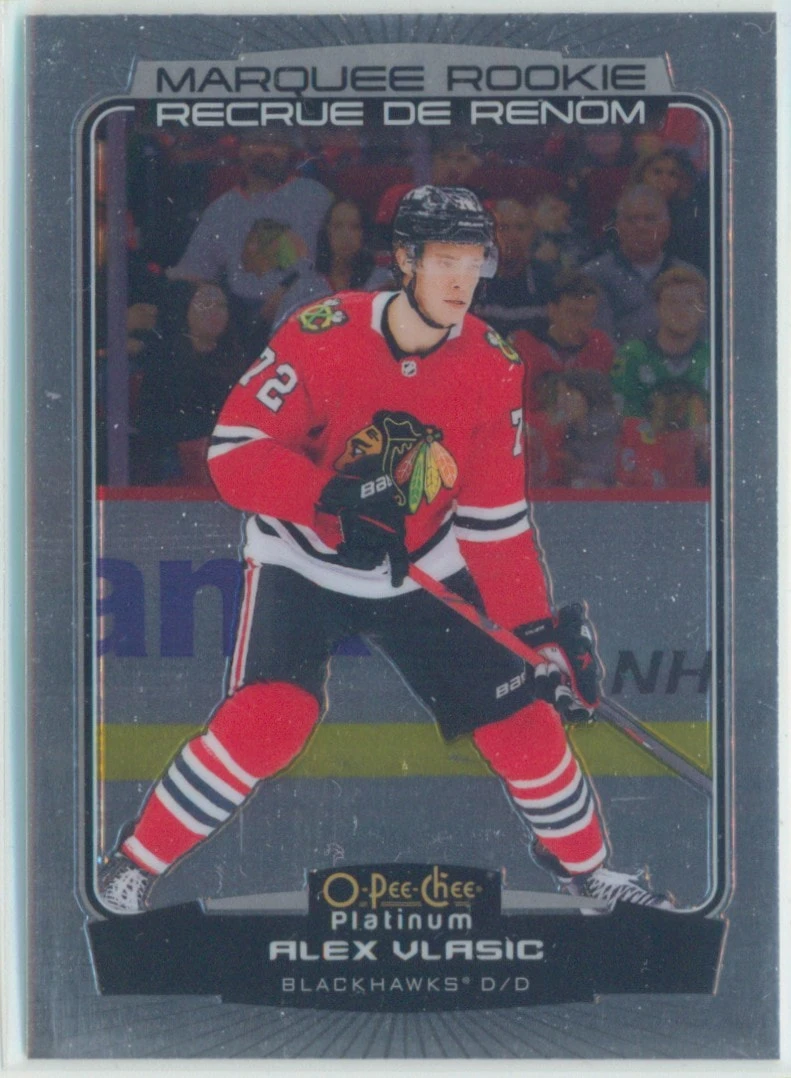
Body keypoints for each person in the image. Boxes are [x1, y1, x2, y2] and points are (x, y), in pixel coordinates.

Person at [98, 185, 674, 916]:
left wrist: (534, 635)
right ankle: (132, 867)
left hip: (420, 565)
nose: (462, 281)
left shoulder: (492, 363)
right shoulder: (323, 331)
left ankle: (590, 874)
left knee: (525, 724)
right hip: (302, 557)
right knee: (272, 716)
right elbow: (235, 452)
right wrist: (329, 501)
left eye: (474, 262)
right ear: (405, 259)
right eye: (444, 261)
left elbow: (494, 521)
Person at [167, 127, 333, 306]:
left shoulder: (315, 196)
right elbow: (194, 272)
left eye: (277, 143)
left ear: (288, 150)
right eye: (259, 142)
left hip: (310, 308)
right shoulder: (221, 209)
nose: (268, 150)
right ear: (241, 149)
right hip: (245, 314)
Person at [133, 281, 245, 484]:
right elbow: (152, 422)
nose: (215, 312)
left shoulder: (237, 360)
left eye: (221, 306)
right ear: (185, 309)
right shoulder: (164, 356)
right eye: (205, 304)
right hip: (175, 457)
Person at [583, 185, 697, 343]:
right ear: (618, 226)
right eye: (631, 219)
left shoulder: (691, 278)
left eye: (650, 219)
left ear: (666, 227)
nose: (640, 227)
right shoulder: (593, 276)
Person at [611, 266, 709, 418]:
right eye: (672, 302)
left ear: (702, 309)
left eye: (690, 303)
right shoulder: (633, 355)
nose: (681, 310)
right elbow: (622, 415)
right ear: (657, 308)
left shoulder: (713, 356)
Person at [511, 269, 615, 413]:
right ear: (552, 310)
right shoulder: (523, 347)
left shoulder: (600, 346)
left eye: (589, 315)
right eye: (574, 313)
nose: (582, 324)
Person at [473, 197, 553, 336]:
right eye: (503, 228)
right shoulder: (473, 278)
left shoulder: (547, 279)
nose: (512, 236)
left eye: (520, 228)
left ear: (532, 233)